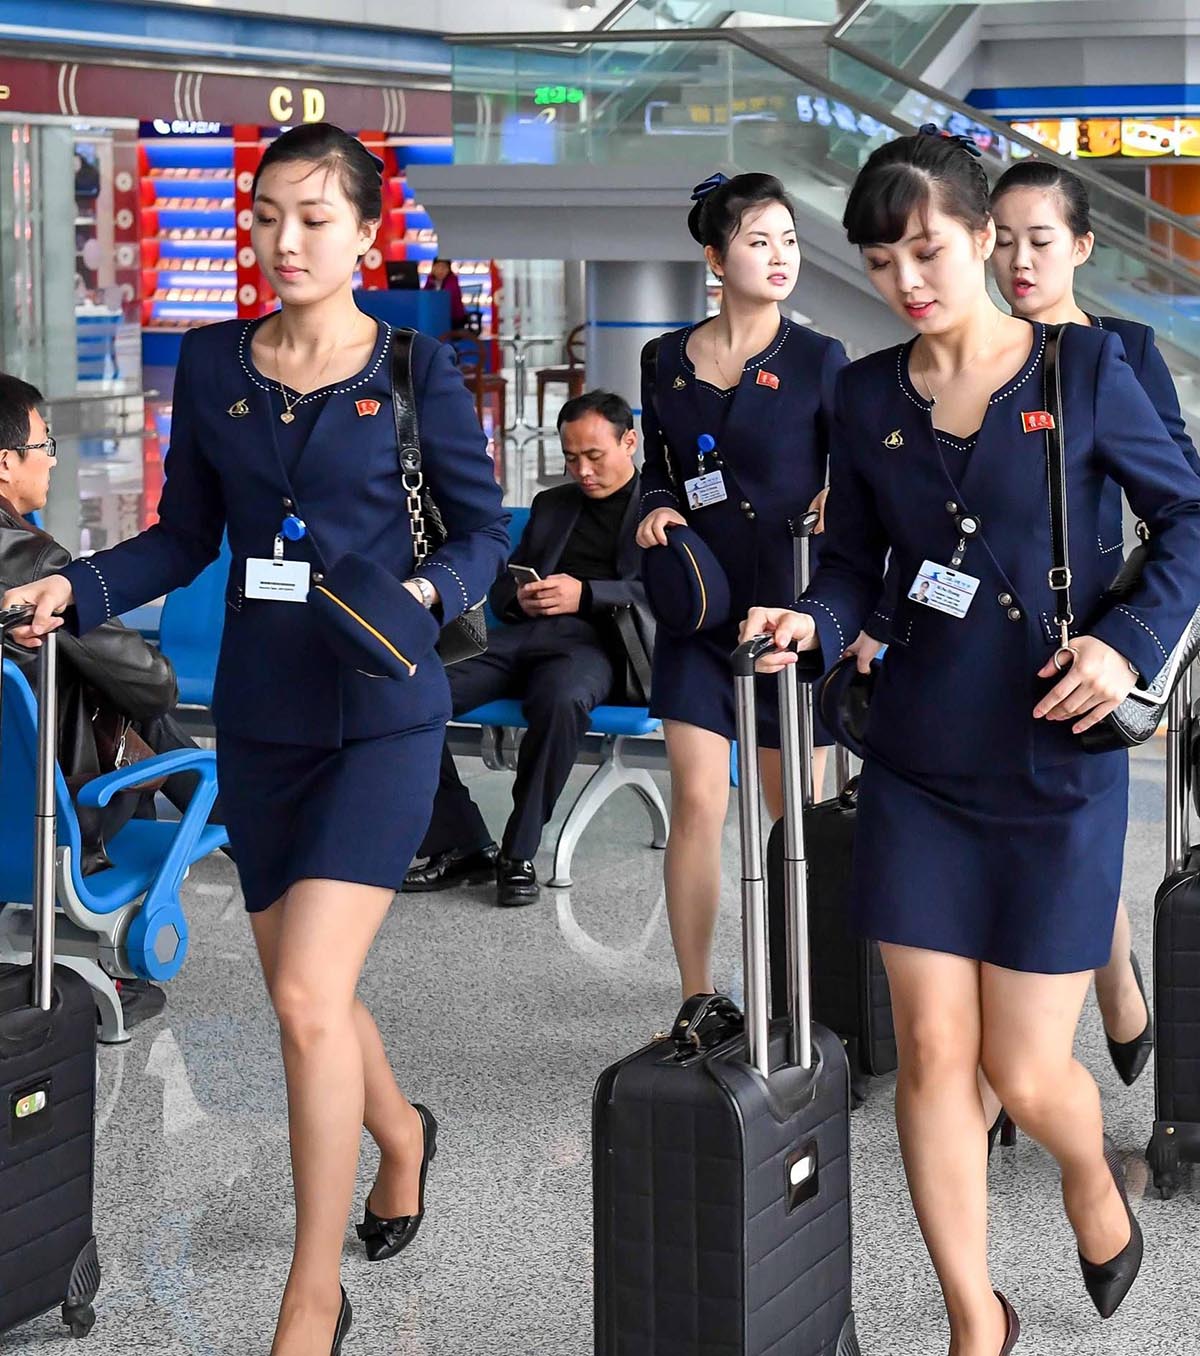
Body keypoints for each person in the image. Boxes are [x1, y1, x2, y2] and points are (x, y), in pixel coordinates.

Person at [3, 122, 508, 1356]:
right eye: (269, 216)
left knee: (298, 993)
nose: (287, 240)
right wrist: (84, 588)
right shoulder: (214, 356)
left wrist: (425, 596)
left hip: (384, 715)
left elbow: (484, 535)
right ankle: (400, 1133)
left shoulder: (414, 368)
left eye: (315, 218)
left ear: (365, 233)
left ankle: (310, 1291)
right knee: (315, 1000)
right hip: (267, 722)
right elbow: (184, 534)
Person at [743, 127, 1200, 1355]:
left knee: (1030, 1067)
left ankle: (1089, 1175)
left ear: (986, 239)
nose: (907, 279)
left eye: (928, 248)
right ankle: (972, 1317)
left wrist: (1128, 640)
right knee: (938, 1057)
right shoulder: (862, 393)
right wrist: (817, 615)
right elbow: (853, 567)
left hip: (1055, 763)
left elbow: (1191, 519)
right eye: (883, 258)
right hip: (918, 766)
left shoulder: (1088, 371)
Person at [990, 158, 1200, 1087]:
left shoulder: (1123, 352)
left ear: (1081, 245)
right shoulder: (966, 351)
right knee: (1010, 847)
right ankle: (1099, 998)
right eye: (1001, 241)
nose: (1018, 261)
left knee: (1061, 848)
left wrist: (1134, 636)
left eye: (1040, 240)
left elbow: (1175, 499)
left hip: (1089, 643)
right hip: (977, 642)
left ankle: (1028, 1062)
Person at [635, 171, 846, 1002]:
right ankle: (696, 996)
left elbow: (859, 467)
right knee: (696, 801)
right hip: (701, 610)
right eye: (760, 240)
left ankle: (804, 989)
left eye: (789, 239)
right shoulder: (664, 360)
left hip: (789, 616)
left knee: (797, 819)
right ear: (716, 257)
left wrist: (844, 495)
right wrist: (655, 505)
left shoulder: (818, 359)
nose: (781, 255)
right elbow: (658, 463)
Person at [0, 373, 226, 1026]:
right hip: (53, 821)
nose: (52, 461)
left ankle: (232, 811)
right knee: (136, 696)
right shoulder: (35, 561)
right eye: (45, 446)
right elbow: (156, 681)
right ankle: (230, 811)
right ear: (7, 461)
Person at [404, 389, 652, 907]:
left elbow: (672, 595)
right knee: (412, 693)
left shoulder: (658, 510)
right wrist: (522, 597)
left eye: (594, 456)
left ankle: (518, 854)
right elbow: (499, 589)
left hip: (596, 648)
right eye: (570, 457)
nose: (581, 470)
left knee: (560, 701)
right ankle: (461, 839)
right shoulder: (553, 504)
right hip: (522, 638)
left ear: (629, 441)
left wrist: (586, 594)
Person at [424, 257, 467, 329]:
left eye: (444, 267)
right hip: (435, 316)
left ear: (449, 269)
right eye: (438, 266)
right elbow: (424, 294)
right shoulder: (430, 279)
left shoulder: (453, 279)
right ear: (433, 268)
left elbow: (447, 296)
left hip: (453, 318)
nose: (440, 270)